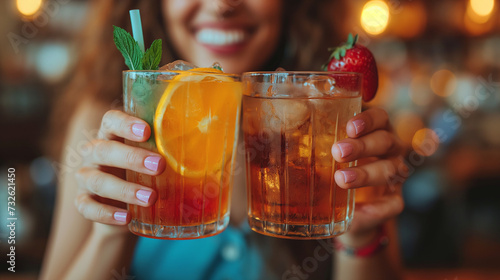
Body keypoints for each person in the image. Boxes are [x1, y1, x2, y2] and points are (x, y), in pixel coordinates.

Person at [41, 0, 406, 279]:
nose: (223, 4)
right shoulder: (108, 124)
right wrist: (111, 236)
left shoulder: (330, 114)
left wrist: (360, 235)